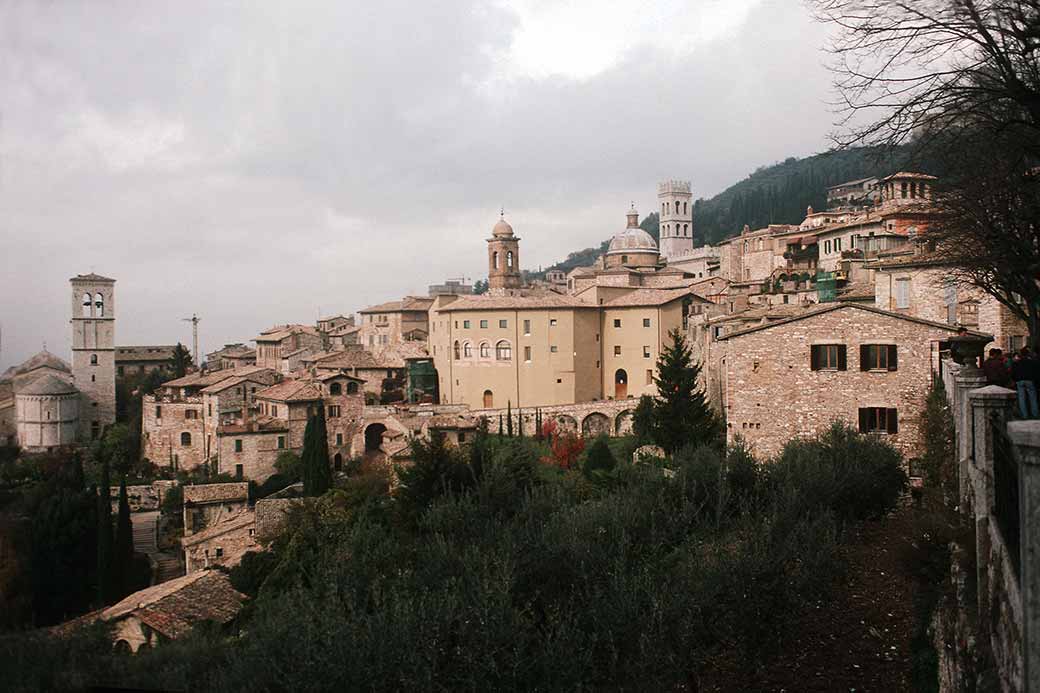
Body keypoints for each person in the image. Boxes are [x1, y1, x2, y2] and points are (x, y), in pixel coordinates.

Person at [1011, 348, 1039, 419]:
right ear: (1028, 354)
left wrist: (1015, 380)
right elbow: (1036, 372)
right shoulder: (1032, 362)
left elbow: (1013, 373)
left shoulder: (1016, 363)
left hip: (1020, 381)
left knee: (1021, 398)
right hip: (1030, 380)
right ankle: (1035, 414)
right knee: (1033, 398)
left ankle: (1024, 415)